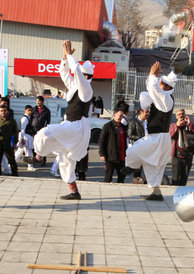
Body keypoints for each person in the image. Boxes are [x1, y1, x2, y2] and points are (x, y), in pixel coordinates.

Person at [25, 40, 95, 200]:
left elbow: (76, 70)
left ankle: (39, 157)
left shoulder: (86, 89)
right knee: (66, 159)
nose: (84, 77)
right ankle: (74, 191)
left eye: (86, 76)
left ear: (88, 77)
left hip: (76, 127)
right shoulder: (75, 87)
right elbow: (65, 74)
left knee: (45, 132)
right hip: (71, 126)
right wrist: (64, 59)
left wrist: (70, 56)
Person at [120, 61, 176, 201]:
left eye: (162, 83)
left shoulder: (166, 99)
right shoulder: (161, 98)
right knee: (151, 164)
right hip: (157, 137)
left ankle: (131, 166)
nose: (159, 85)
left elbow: (154, 89)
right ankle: (156, 192)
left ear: (168, 87)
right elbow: (149, 93)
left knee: (134, 150)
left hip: (158, 137)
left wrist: (152, 76)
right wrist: (153, 78)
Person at [169, 107, 194, 186]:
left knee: (184, 178)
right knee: (175, 178)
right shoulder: (173, 125)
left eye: (182, 114)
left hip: (188, 155)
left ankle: (181, 193)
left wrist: (189, 124)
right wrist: (177, 126)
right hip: (177, 155)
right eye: (179, 114)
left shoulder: (190, 125)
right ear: (176, 116)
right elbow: (170, 135)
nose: (181, 116)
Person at [99, 102, 129, 183]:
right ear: (114, 115)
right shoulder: (107, 126)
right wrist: (102, 154)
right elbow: (101, 141)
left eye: (122, 116)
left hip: (121, 156)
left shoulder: (123, 127)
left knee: (122, 176)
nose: (120, 117)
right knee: (108, 177)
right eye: (119, 116)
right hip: (111, 156)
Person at [0, 105, 18, 176]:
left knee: (12, 160)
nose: (3, 112)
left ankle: (15, 174)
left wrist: (14, 142)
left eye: (4, 111)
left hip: (8, 143)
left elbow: (15, 133)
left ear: (7, 111)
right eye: (1, 111)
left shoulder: (12, 121)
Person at [126, 107, 148, 183]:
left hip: (148, 149)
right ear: (141, 112)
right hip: (137, 149)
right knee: (137, 170)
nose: (148, 114)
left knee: (147, 169)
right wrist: (143, 138)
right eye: (146, 112)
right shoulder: (133, 122)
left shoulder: (149, 122)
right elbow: (130, 135)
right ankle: (136, 184)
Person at [15, 105, 36, 171]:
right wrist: (22, 139)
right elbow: (22, 129)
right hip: (25, 137)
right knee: (28, 152)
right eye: (28, 110)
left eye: (31, 110)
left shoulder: (29, 118)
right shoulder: (25, 118)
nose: (30, 111)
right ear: (25, 111)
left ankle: (12, 162)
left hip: (28, 136)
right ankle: (30, 166)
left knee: (20, 151)